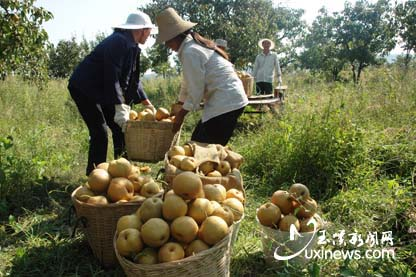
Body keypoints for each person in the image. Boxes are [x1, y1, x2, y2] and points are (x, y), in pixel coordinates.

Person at [68, 11, 157, 175]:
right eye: (149, 31)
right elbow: (112, 74)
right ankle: (95, 175)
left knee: (120, 129)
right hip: (85, 88)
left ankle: (122, 171)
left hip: (103, 90)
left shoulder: (132, 46)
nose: (150, 35)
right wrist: (119, 105)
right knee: (100, 132)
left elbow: (132, 79)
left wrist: (147, 103)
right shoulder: (118, 42)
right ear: (141, 30)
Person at [155, 7, 248, 146]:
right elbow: (188, 82)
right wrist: (180, 104)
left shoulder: (190, 51)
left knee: (201, 148)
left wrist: (180, 116)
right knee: (197, 144)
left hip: (226, 102)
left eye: (167, 41)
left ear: (176, 36)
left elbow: (196, 90)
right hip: (228, 100)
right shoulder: (192, 47)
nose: (167, 45)